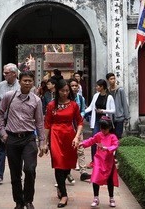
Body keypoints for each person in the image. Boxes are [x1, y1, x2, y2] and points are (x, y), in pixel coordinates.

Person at [0, 71, 47, 209]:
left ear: (33, 82)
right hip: (12, 139)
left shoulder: (36, 100)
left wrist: (42, 142)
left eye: (30, 81)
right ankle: (19, 202)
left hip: (29, 139)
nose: (27, 83)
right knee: (15, 173)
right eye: (25, 80)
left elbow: (39, 122)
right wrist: (2, 132)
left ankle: (28, 200)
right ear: (19, 81)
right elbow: (0, 113)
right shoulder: (9, 96)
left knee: (30, 169)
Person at [44, 79, 83, 208]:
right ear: (57, 91)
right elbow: (47, 124)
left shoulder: (73, 105)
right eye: (62, 90)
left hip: (69, 136)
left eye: (67, 91)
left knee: (68, 164)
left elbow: (80, 122)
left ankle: (60, 186)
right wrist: (44, 142)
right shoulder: (51, 105)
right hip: (55, 135)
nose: (65, 93)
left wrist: (77, 137)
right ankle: (64, 194)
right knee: (58, 163)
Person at [79, 116, 120, 208]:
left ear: (109, 128)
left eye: (105, 128)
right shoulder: (99, 135)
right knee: (95, 178)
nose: (103, 130)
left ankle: (111, 198)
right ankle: (96, 197)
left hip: (109, 161)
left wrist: (106, 148)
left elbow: (115, 145)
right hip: (99, 160)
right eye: (101, 128)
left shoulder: (113, 136)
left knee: (110, 180)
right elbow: (92, 140)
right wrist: (83, 143)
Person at [0, 63, 20, 185]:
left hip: (18, 122)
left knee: (17, 149)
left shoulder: (21, 85)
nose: (4, 75)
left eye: (6, 73)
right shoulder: (0, 86)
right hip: (4, 120)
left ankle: (17, 174)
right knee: (2, 148)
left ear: (14, 73)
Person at [85, 79, 115, 160]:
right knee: (95, 138)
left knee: (105, 140)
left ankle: (105, 158)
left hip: (105, 122)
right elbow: (91, 107)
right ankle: (94, 159)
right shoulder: (96, 95)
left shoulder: (109, 97)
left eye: (98, 86)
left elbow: (113, 110)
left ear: (102, 87)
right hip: (97, 121)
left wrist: (103, 111)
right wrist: (82, 112)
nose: (96, 87)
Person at [69, 77, 89, 182]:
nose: (74, 88)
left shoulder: (81, 99)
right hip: (67, 127)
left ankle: (83, 172)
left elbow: (83, 111)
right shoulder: (65, 98)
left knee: (80, 148)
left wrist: (79, 116)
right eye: (72, 86)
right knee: (68, 150)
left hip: (78, 126)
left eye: (76, 86)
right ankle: (66, 172)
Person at [106, 73, 130, 139]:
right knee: (111, 136)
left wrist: (126, 116)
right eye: (111, 79)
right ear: (108, 80)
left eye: (114, 78)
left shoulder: (120, 90)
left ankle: (117, 149)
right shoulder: (107, 91)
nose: (113, 80)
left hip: (119, 116)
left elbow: (124, 103)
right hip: (111, 117)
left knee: (118, 135)